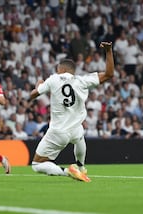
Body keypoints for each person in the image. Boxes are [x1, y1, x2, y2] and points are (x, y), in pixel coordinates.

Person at [30, 42, 114, 182]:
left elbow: (33, 95)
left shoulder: (54, 79)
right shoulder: (82, 80)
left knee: (37, 164)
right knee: (79, 137)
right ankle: (81, 167)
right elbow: (109, 74)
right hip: (75, 128)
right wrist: (109, 51)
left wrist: (39, 84)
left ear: (61, 70)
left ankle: (68, 171)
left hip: (58, 131)